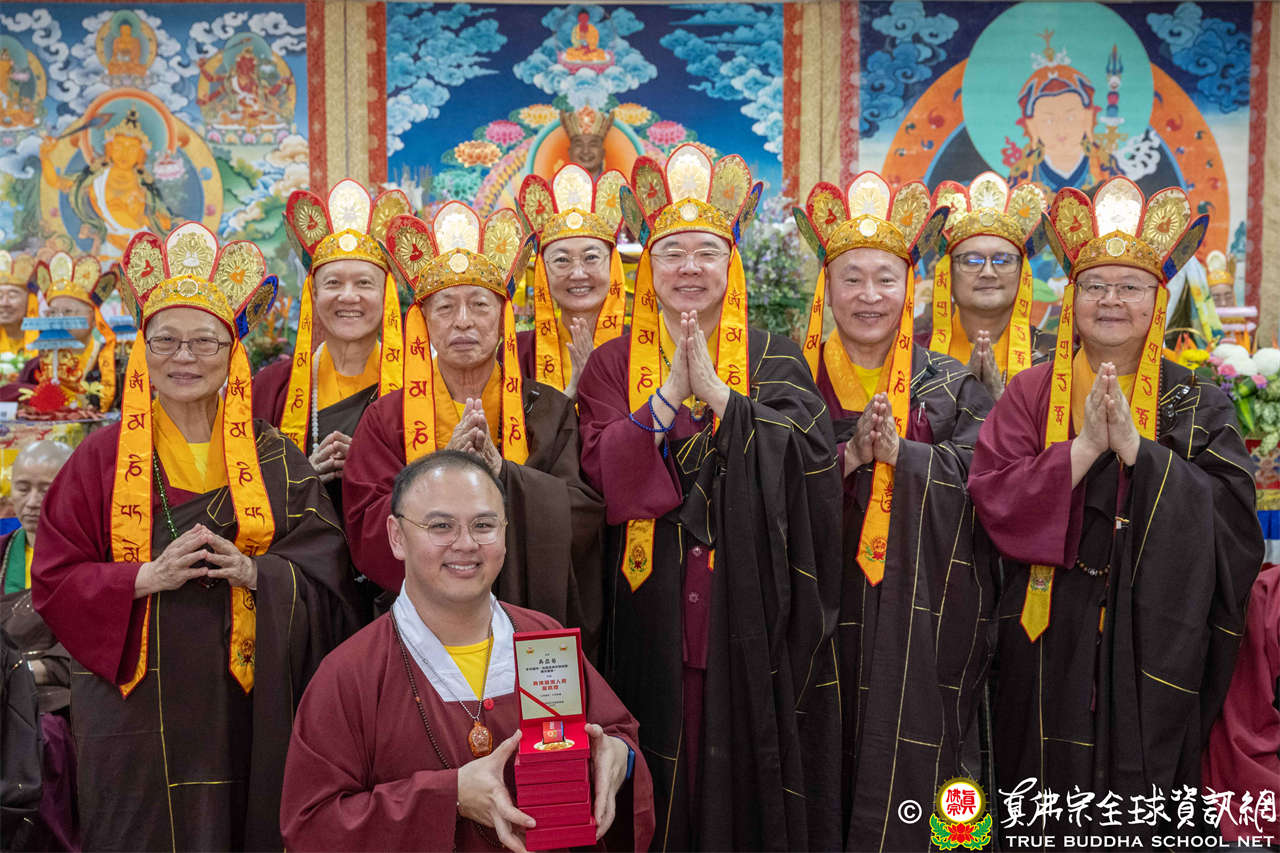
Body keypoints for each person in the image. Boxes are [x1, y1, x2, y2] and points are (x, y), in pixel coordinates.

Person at [32, 222, 362, 850]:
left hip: (247, 702)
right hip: (134, 712)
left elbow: (331, 574)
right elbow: (52, 578)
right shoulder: (100, 460)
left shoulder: (275, 458)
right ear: (143, 351)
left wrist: (256, 573)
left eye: (205, 341)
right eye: (165, 340)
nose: (184, 357)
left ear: (233, 353)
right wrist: (141, 577)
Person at [968, 178, 1262, 837]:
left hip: (1156, 636)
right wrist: (1081, 452)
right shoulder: (1030, 392)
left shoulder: (1195, 398)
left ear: (1158, 301)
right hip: (1043, 635)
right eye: (1095, 285)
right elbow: (992, 494)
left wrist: (1137, 451)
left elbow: (1234, 525)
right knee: (1039, 795)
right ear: (1071, 297)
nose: (1110, 300)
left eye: (1130, 287)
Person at [575, 144, 842, 850]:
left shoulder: (773, 353)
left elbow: (813, 461)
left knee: (739, 773)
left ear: (731, 264)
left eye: (706, 252)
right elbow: (599, 473)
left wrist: (724, 398)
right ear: (648, 266)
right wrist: (668, 395)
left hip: (747, 606)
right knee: (657, 762)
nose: (689, 268)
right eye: (671, 253)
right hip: (646, 607)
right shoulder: (611, 362)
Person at [281, 449, 654, 852]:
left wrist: (618, 756)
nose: (466, 544)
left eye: (484, 525)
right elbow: (311, 825)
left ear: (505, 533)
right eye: (441, 526)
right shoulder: (351, 672)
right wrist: (450, 795)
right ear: (396, 536)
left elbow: (617, 732)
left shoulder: (543, 639)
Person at [793, 173, 996, 850]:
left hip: (920, 608)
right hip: (816, 602)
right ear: (827, 288)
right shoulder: (788, 378)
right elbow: (760, 483)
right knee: (817, 743)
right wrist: (847, 458)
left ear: (911, 288)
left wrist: (905, 459)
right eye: (851, 278)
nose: (870, 296)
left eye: (886, 278)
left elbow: (985, 482)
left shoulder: (951, 383)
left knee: (921, 745)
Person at [344, 203, 606, 655]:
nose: (463, 320)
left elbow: (585, 514)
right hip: (424, 627)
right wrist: (438, 474)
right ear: (425, 323)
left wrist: (506, 475)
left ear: (504, 316)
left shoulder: (549, 409)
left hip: (532, 616)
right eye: (445, 307)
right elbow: (366, 534)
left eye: (480, 305)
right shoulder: (386, 417)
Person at [254, 180, 411, 519]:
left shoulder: (419, 384)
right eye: (333, 283)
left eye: (364, 283)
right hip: (302, 550)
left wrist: (368, 466)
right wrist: (303, 477)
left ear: (386, 295)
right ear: (313, 295)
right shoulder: (272, 388)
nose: (348, 296)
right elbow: (245, 491)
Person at [1, 440, 76, 851]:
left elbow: (96, 641)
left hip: (57, 699)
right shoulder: (3, 554)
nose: (32, 502)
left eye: (45, 489)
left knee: (40, 741)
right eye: (23, 487)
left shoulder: (90, 556)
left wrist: (20, 672)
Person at [924, 171, 1054, 400]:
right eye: (971, 261)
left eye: (1003, 260)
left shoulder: (1055, 355)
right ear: (948, 272)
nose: (987, 273)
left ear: (1023, 273)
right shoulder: (915, 352)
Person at [515, 164, 628, 399]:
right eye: (562, 260)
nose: (578, 273)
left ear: (612, 264)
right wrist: (573, 390)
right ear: (543, 271)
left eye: (591, 258)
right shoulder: (519, 352)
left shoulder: (643, 344)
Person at [4, 252, 120, 411]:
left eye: (68, 312)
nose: (59, 319)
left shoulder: (116, 363)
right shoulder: (35, 367)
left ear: (94, 319)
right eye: (52, 312)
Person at [0, 251, 36, 358]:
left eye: (12, 296)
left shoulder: (47, 345)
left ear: (29, 300)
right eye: (0, 296)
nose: (4, 303)